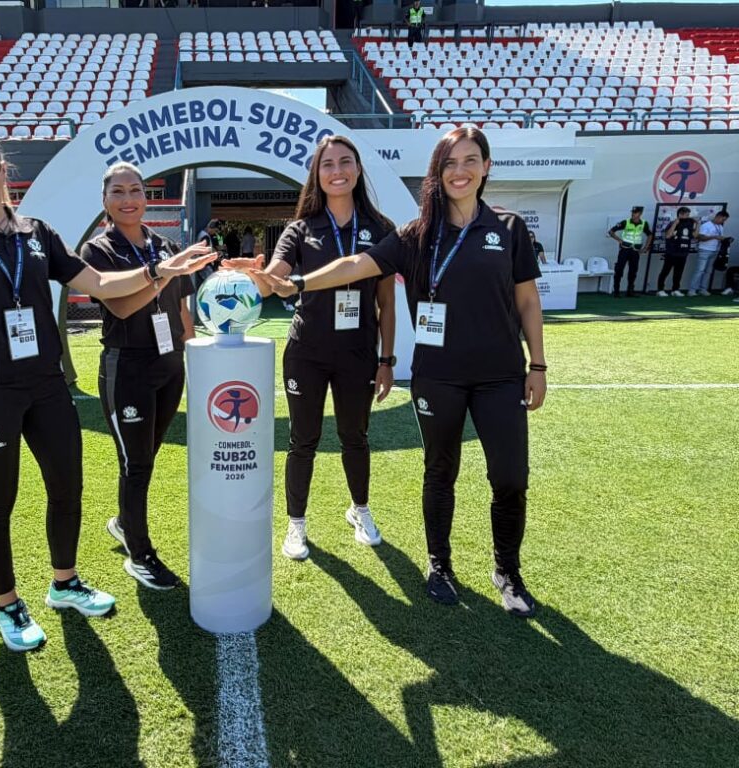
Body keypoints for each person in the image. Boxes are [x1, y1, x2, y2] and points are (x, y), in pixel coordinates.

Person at [0, 127, 214, 652]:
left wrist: (158, 270)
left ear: (4, 168)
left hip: (48, 386)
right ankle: (8, 606)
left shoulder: (37, 233)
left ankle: (65, 583)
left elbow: (98, 284)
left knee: (67, 488)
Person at [238, 126, 547, 618]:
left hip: (500, 374)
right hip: (436, 374)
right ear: (436, 173)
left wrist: (538, 364)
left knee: (510, 478)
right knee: (439, 472)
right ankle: (439, 565)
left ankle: (507, 571)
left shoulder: (507, 228)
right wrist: (296, 282)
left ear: (486, 167)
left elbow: (527, 301)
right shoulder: (414, 234)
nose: (460, 172)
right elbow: (353, 266)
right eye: (449, 163)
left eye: (470, 160)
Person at [228, 135, 396, 560]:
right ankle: (296, 524)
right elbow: (276, 280)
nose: (337, 171)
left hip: (358, 353)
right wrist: (256, 273)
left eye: (345, 162)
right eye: (327, 164)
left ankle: (360, 510)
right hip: (307, 353)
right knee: (303, 440)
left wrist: (386, 360)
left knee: (355, 437)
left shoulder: (380, 228)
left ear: (358, 169)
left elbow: (387, 304)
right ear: (317, 175)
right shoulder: (300, 229)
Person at [79, 162, 197, 590]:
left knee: (145, 457)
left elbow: (182, 308)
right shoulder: (97, 251)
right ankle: (140, 553)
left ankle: (123, 521)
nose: (128, 199)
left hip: (170, 364)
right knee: (136, 462)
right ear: (105, 200)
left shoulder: (165, 245)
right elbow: (123, 307)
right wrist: (162, 273)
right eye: (118, 191)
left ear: (147, 197)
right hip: (127, 368)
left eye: (135, 190)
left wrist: (192, 355)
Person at [608, 206, 652, 297]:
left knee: (633, 271)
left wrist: (645, 247)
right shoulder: (626, 222)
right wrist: (619, 240)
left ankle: (630, 291)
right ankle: (616, 291)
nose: (633, 214)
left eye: (635, 212)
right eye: (632, 212)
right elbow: (611, 231)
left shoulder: (644, 223)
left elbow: (650, 235)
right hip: (625, 249)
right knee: (619, 269)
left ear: (640, 214)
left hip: (635, 250)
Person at [656, 206, 696, 297]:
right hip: (672, 252)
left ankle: (675, 289)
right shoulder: (672, 223)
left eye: (688, 215)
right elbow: (668, 236)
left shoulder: (689, 224)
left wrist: (697, 224)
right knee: (665, 271)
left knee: (678, 273)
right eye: (686, 215)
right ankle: (660, 289)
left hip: (683, 252)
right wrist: (675, 223)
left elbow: (694, 236)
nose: (688, 216)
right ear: (680, 214)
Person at [690, 210, 729, 296]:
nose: (723, 221)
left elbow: (719, 238)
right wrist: (714, 237)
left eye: (724, 220)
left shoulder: (720, 227)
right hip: (704, 250)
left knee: (708, 271)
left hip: (715, 251)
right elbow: (700, 238)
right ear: (718, 217)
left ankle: (703, 289)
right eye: (723, 219)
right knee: (699, 270)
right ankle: (692, 290)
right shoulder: (706, 225)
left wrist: (724, 239)